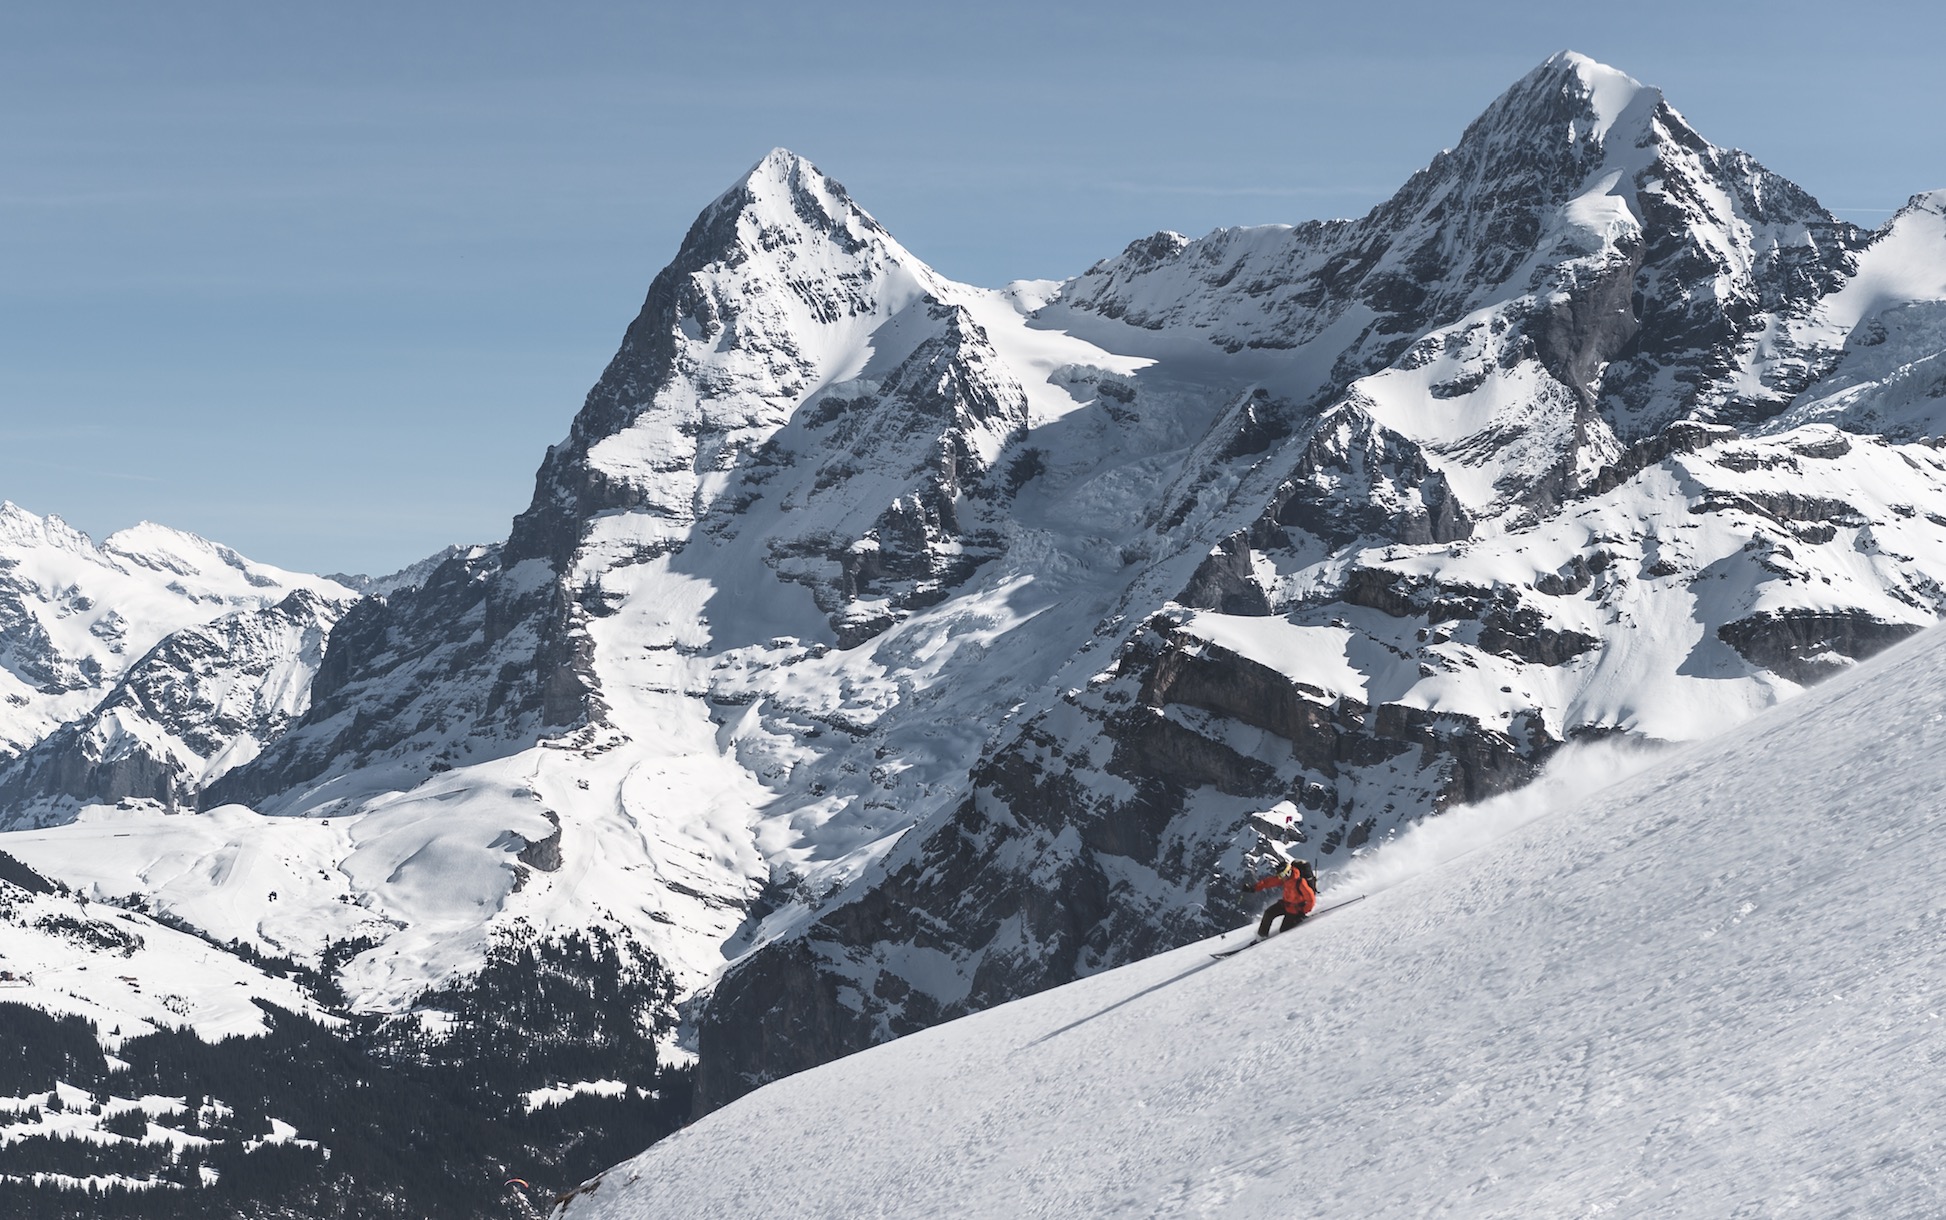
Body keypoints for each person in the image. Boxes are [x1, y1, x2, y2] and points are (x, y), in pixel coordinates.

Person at [1247, 857, 1317, 939]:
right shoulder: (1285, 878)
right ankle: (1261, 936)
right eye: (1279, 876)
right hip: (1285, 904)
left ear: (1288, 872)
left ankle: (1299, 919)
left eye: (1282, 875)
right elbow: (1268, 882)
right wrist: (1254, 888)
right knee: (1269, 913)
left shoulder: (1300, 882)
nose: (1281, 878)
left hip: (1295, 910)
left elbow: (1311, 899)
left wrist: (1303, 911)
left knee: (1284, 929)